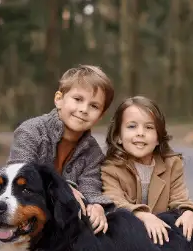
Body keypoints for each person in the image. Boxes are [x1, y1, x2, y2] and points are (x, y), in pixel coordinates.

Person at [6, 64, 115, 234]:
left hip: (62, 224)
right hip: (23, 212)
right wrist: (65, 188)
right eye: (78, 99)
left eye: (94, 106)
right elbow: (19, 172)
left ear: (100, 115)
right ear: (59, 99)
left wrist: (97, 206)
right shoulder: (31, 131)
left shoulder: (93, 152)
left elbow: (90, 187)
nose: (83, 109)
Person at [100, 96, 193, 245]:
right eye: (132, 126)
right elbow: (114, 201)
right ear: (118, 136)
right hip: (125, 242)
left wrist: (189, 212)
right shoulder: (110, 168)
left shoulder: (172, 164)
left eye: (149, 127)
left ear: (158, 138)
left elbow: (179, 198)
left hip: (161, 242)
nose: (140, 133)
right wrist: (143, 215)